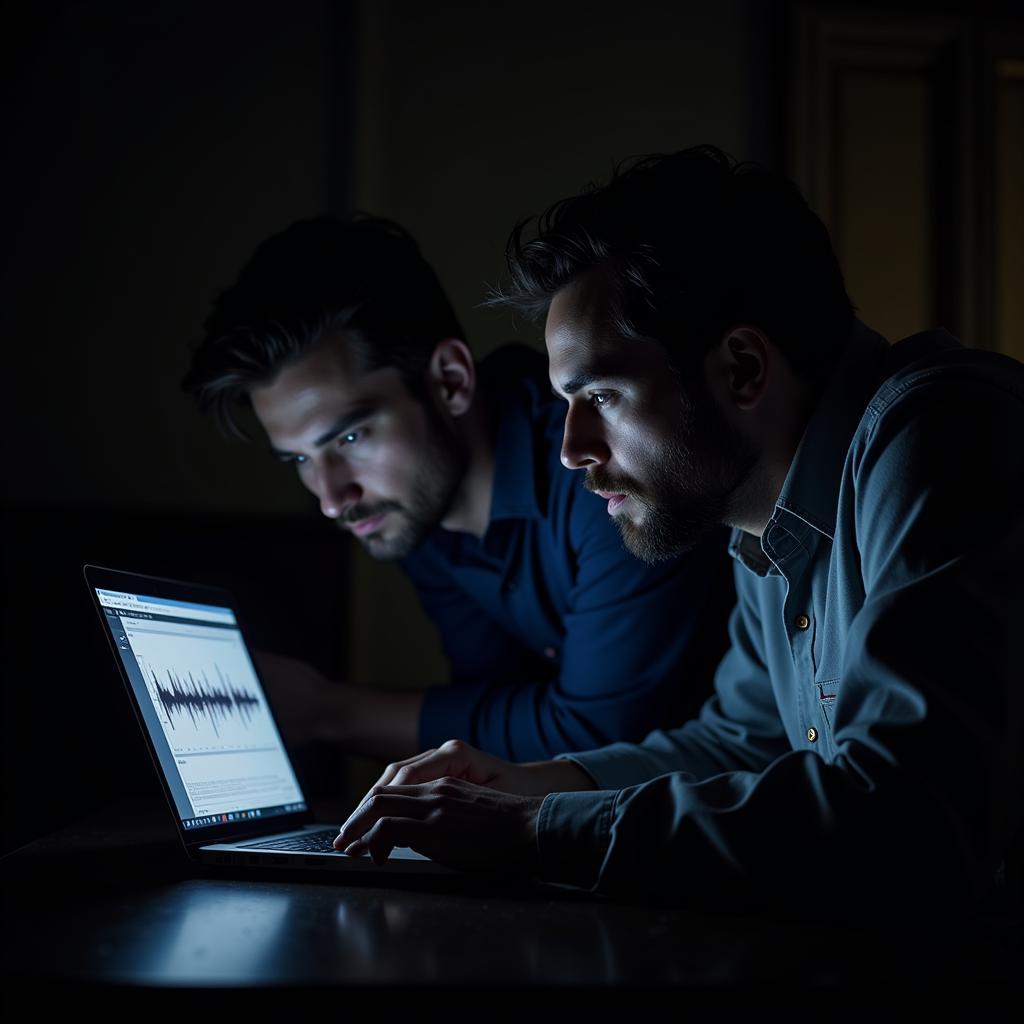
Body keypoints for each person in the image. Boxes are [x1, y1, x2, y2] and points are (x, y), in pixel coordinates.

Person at [332, 147, 1024, 919]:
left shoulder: (942, 436)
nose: (571, 450)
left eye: (601, 395)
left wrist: (537, 830)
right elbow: (744, 741)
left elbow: (912, 821)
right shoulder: (768, 523)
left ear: (741, 369)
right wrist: (530, 782)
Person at [182, 217, 730, 762]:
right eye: (300, 458)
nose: (331, 498)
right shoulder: (415, 514)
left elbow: (600, 736)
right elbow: (495, 714)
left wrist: (329, 712)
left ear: (450, 380)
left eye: (350, 437)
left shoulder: (598, 470)